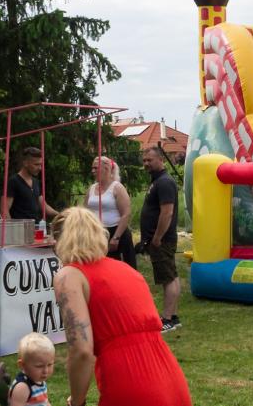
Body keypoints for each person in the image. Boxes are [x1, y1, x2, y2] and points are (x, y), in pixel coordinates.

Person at [52, 208, 191, 406]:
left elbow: (81, 351)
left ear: (61, 241)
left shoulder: (69, 276)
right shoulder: (127, 269)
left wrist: (76, 401)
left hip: (129, 382)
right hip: (170, 378)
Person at [138, 147, 181, 332]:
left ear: (161, 159)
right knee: (171, 275)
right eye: (144, 160)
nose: (146, 163)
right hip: (160, 239)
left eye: (150, 160)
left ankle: (167, 319)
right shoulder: (157, 181)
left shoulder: (164, 182)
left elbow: (167, 212)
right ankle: (174, 316)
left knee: (167, 279)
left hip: (161, 240)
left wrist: (157, 237)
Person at [84, 156, 136, 267]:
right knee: (100, 266)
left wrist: (116, 238)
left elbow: (126, 214)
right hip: (97, 233)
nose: (92, 171)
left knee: (119, 267)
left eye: (95, 168)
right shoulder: (91, 189)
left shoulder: (117, 188)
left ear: (106, 168)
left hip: (116, 232)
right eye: (92, 168)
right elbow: (85, 212)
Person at [3, 146, 60, 222]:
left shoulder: (36, 182)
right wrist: (12, 228)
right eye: (36, 164)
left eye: (41, 165)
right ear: (25, 163)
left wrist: (62, 215)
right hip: (20, 228)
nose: (40, 168)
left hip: (35, 227)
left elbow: (45, 207)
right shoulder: (14, 182)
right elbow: (4, 210)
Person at [10, 332, 55, 406]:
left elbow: (45, 402)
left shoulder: (38, 380)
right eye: (39, 366)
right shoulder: (22, 387)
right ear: (22, 365)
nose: (45, 371)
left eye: (49, 365)